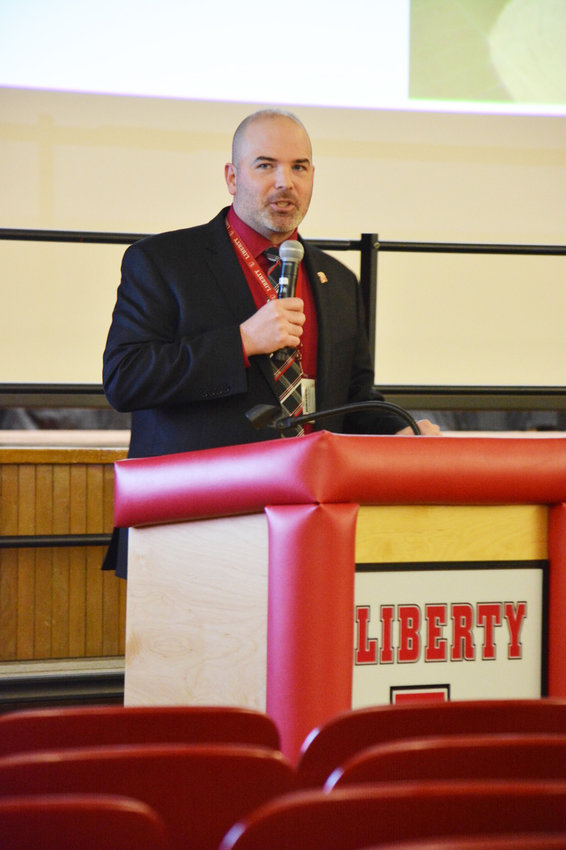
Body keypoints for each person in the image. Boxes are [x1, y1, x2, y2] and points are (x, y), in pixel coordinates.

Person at [102, 108, 439, 576]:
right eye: (266, 165)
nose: (285, 182)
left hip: (305, 528)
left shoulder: (338, 282)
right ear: (231, 175)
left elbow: (352, 401)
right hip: (194, 526)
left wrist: (398, 432)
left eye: (299, 167)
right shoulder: (163, 262)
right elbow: (125, 379)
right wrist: (239, 342)